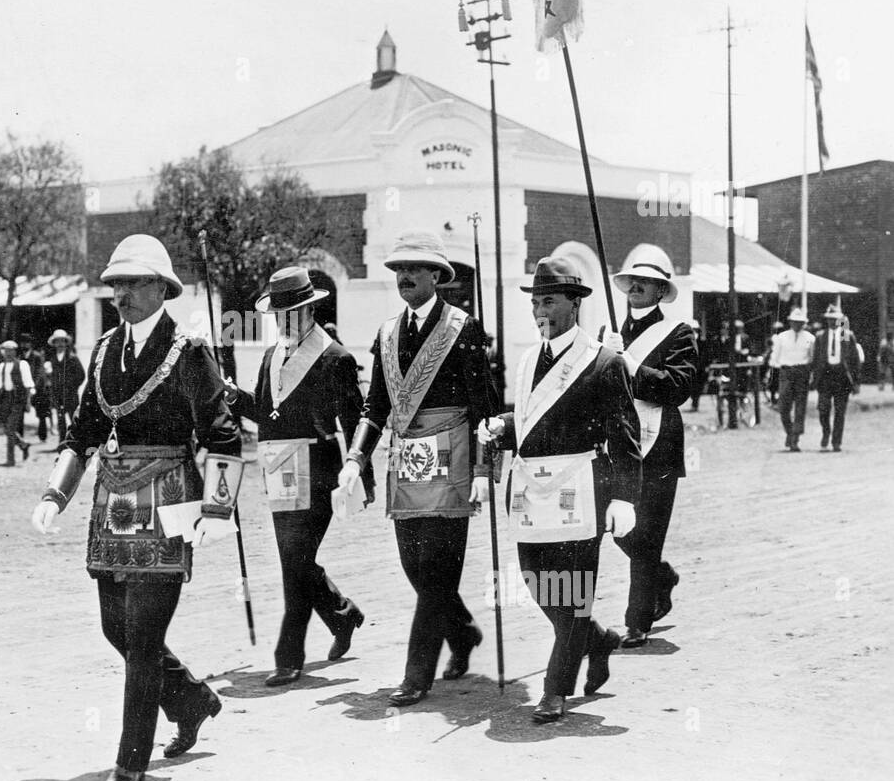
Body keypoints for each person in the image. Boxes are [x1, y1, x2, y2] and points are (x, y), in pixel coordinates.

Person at [30, 234, 241, 781]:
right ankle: (191, 699)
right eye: (116, 284)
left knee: (144, 637)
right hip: (112, 503)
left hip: (172, 503)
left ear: (161, 289)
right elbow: (83, 433)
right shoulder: (102, 351)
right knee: (115, 628)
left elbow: (223, 433)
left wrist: (218, 510)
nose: (121, 293)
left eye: (134, 283)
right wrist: (55, 494)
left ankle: (131, 758)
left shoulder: (191, 350)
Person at [336, 231, 499, 707]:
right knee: (416, 568)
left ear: (436, 277)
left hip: (453, 461)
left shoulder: (462, 329)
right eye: (398, 269)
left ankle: (415, 674)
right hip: (405, 463)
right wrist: (355, 459)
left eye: (415, 268)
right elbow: (374, 408)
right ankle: (463, 632)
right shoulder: (387, 334)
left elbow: (485, 409)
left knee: (438, 574)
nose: (404, 276)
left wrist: (486, 472)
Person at [478, 256, 642, 723]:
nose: (539, 311)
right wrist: (503, 427)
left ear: (575, 304)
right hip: (532, 492)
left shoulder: (603, 361)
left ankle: (555, 689)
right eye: (534, 302)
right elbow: (535, 421)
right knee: (536, 581)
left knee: (572, 594)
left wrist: (626, 497)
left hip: (581, 490)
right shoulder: (530, 358)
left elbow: (625, 433)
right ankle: (599, 640)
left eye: (548, 300)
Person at [227, 267, 372, 687]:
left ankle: (288, 656)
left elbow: (357, 419)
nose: (285, 321)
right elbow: (267, 414)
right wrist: (237, 400)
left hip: (318, 471)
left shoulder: (336, 358)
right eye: (278, 314)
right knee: (296, 561)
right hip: (277, 471)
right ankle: (342, 614)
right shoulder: (271, 356)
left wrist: (363, 475)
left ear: (310, 310)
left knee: (294, 562)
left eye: (293, 312)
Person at [601, 253, 696, 647]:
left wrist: (627, 364)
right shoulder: (608, 329)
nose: (636, 286)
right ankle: (662, 576)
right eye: (631, 280)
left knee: (649, 532)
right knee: (619, 528)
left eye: (646, 281)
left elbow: (678, 388)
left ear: (661, 289)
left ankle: (637, 621)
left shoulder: (679, 333)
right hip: (616, 442)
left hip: (659, 446)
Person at [812, 303, 861, 452]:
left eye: (834, 319)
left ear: (840, 320)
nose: (831, 322)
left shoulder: (846, 335)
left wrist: (856, 381)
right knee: (823, 409)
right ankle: (826, 432)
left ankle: (836, 441)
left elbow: (854, 359)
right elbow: (816, 359)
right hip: (825, 376)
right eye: (829, 319)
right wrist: (814, 378)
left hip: (841, 377)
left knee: (840, 411)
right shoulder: (820, 336)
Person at [768, 308, 814, 452]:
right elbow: (774, 357)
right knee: (783, 407)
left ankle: (795, 438)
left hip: (802, 372)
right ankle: (789, 431)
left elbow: (812, 358)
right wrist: (772, 373)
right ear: (790, 322)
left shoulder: (810, 338)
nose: (797, 325)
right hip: (786, 372)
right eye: (794, 322)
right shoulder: (781, 337)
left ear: (804, 323)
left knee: (800, 407)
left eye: (800, 322)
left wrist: (810, 374)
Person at [0, 340, 34, 466]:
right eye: (6, 350)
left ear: (15, 351)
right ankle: (23, 444)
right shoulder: (2, 366)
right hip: (6, 399)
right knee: (6, 428)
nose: (8, 353)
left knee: (10, 428)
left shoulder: (22, 365)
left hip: (18, 399)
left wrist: (28, 402)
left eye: (11, 350)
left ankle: (10, 460)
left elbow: (28, 385)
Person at [45, 329, 87, 447]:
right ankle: (62, 443)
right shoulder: (53, 359)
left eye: (62, 341)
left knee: (74, 419)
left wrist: (71, 386)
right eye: (57, 342)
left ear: (66, 343)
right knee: (60, 420)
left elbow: (81, 375)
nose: (60, 344)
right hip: (58, 394)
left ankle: (78, 443)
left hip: (70, 394)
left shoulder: (72, 358)